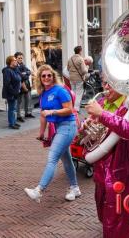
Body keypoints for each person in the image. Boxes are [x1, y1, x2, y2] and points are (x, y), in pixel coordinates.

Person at [84, 80, 129, 238]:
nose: (105, 87)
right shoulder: (100, 102)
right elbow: (90, 133)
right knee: (104, 217)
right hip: (100, 171)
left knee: (113, 225)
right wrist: (85, 128)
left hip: (120, 174)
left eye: (110, 83)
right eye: (104, 82)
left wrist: (102, 114)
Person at [24, 65, 80, 203]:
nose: (47, 78)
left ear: (53, 76)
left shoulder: (60, 91)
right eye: (43, 76)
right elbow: (43, 115)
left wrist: (53, 112)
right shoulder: (43, 94)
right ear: (40, 78)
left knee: (52, 158)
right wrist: (41, 133)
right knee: (66, 159)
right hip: (59, 128)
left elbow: (69, 109)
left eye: (49, 75)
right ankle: (75, 188)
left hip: (67, 126)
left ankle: (39, 190)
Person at [2, 55, 22, 129]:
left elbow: (20, 77)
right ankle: (11, 123)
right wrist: (14, 92)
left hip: (16, 92)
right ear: (10, 62)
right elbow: (7, 83)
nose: (16, 61)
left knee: (14, 108)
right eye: (14, 60)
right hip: (11, 93)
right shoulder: (7, 71)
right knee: (12, 108)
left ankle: (14, 121)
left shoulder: (15, 69)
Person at [68, 46, 89, 111]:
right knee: (79, 93)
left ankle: (71, 106)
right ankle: (76, 108)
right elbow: (84, 71)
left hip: (71, 78)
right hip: (79, 78)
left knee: (73, 93)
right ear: (80, 51)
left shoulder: (70, 59)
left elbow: (68, 68)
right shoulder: (80, 59)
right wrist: (87, 68)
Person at [14, 52, 34, 121]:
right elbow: (21, 76)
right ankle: (18, 116)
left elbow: (29, 71)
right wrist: (25, 74)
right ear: (15, 59)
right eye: (19, 58)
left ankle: (27, 113)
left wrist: (25, 73)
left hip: (27, 84)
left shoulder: (23, 65)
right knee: (19, 101)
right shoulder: (15, 66)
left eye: (21, 58)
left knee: (27, 99)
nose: (20, 59)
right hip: (20, 85)